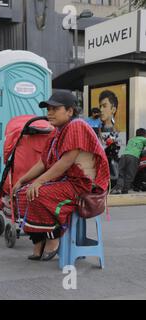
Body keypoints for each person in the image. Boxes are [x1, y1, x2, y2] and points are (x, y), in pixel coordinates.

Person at [12, 90, 110, 261]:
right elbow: (43, 162)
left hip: (83, 186)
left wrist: (39, 182)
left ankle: (53, 236)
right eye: (48, 109)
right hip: (66, 182)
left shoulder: (76, 126)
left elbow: (66, 162)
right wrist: (22, 180)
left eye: (55, 109)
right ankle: (38, 240)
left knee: (39, 194)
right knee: (20, 193)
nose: (49, 113)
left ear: (70, 111)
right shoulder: (55, 132)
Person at [111, 128, 146, 194]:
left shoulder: (131, 139)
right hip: (133, 157)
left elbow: (134, 147)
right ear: (144, 135)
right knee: (129, 175)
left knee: (121, 174)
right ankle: (125, 191)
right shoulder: (144, 139)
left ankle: (118, 189)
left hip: (123, 156)